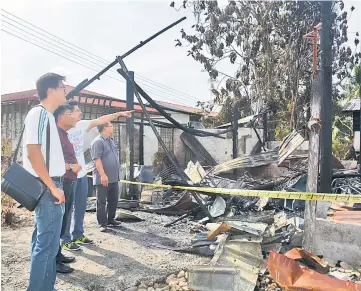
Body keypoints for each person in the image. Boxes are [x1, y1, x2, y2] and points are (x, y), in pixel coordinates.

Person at [63, 101, 133, 249]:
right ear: (68, 113)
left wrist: (120, 114)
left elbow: (101, 119)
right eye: (77, 111)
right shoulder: (61, 129)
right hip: (68, 175)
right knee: (68, 209)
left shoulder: (81, 125)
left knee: (80, 207)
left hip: (81, 174)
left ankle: (78, 235)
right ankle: (65, 239)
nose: (80, 114)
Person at [24, 73, 66, 291]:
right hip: (48, 188)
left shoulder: (47, 116)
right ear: (51, 90)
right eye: (62, 87)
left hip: (49, 186)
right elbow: (33, 153)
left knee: (45, 243)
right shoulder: (38, 114)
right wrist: (53, 187)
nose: (65, 90)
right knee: (47, 245)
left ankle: (46, 287)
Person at [54, 104, 82, 274]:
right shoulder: (56, 135)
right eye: (70, 114)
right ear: (61, 117)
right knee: (57, 223)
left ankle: (57, 255)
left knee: (63, 221)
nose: (74, 117)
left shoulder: (64, 134)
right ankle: (54, 261)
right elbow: (51, 161)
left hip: (68, 182)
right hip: (61, 182)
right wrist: (72, 166)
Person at [91, 122, 121, 232]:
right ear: (104, 128)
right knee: (101, 201)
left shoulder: (110, 140)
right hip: (103, 178)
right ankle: (102, 223)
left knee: (113, 200)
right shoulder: (98, 142)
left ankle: (111, 219)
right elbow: (97, 159)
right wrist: (103, 175)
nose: (112, 128)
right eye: (110, 126)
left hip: (113, 177)